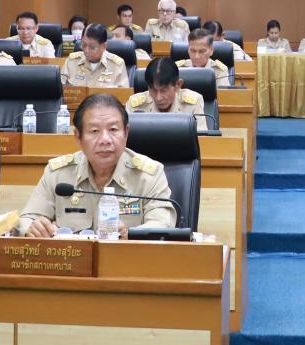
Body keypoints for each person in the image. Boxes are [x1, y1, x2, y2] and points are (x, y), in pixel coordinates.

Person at [17, 93, 177, 236]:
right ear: (78, 137)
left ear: (126, 133)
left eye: (113, 129)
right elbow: (26, 220)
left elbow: (162, 225)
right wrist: (34, 228)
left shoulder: (149, 175)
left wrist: (131, 236)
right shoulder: (58, 174)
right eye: (94, 131)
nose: (105, 140)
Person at [126, 57, 208, 132]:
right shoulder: (135, 105)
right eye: (153, 90)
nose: (158, 98)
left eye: (164, 91)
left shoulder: (193, 103)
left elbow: (201, 139)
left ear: (178, 85)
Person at [62, 23, 130, 88]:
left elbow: (123, 93)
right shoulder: (72, 61)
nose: (86, 50)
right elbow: (60, 88)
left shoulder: (116, 65)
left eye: (92, 47)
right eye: (83, 45)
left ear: (104, 46)